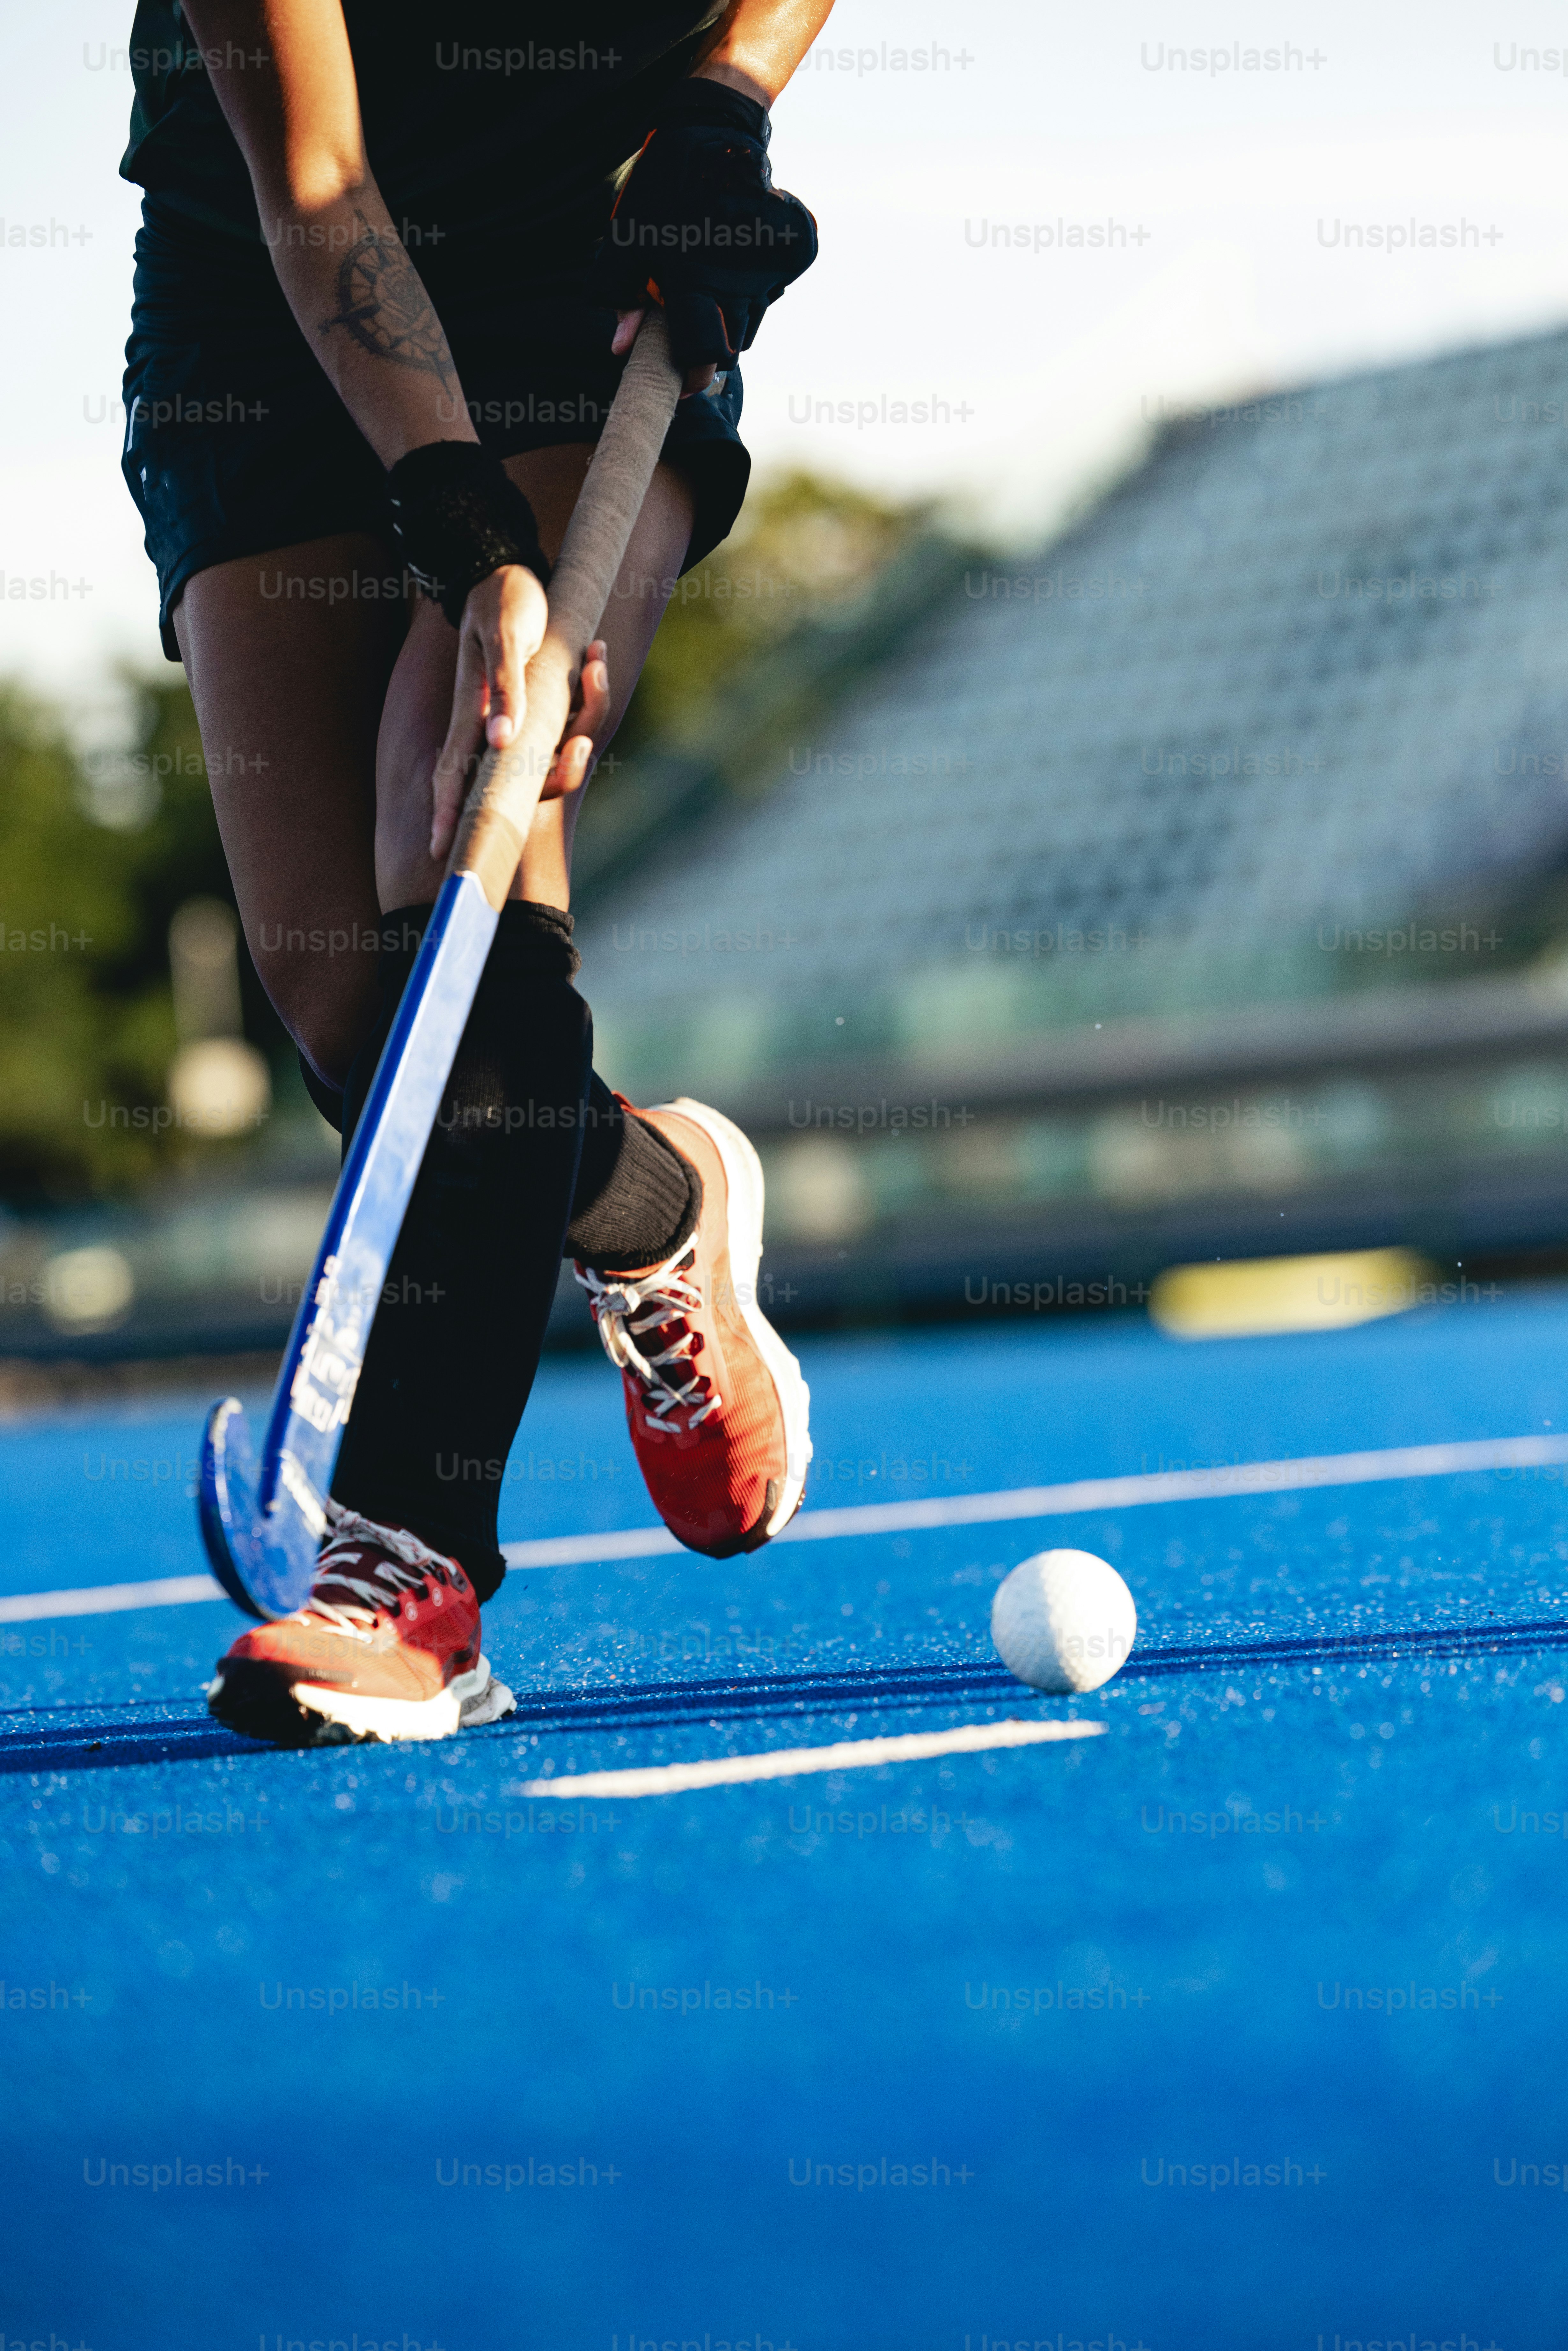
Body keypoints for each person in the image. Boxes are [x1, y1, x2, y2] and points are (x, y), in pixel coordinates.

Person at [118, 0, 831, 1744]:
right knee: (352, 1003)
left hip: (573, 265)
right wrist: (460, 522)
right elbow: (317, 169)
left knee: (459, 822)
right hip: (265, 281)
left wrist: (727, 105)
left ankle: (410, 1568)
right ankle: (653, 1203)